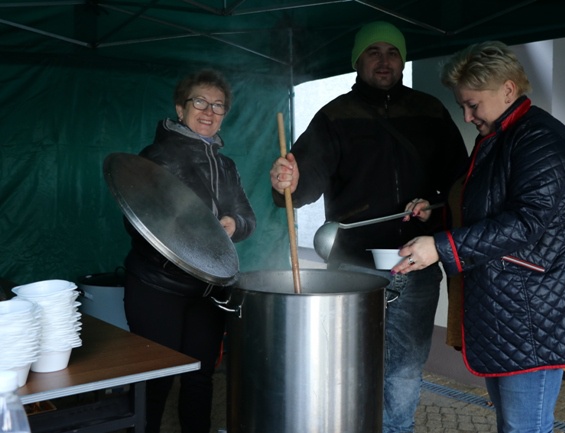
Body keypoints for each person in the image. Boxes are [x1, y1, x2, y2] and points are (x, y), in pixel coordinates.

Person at [393, 41, 565, 433]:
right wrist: (440, 212)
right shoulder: (499, 135)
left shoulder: (541, 140)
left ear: (508, 90)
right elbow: (489, 206)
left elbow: (527, 222)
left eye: (473, 104)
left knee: (524, 427)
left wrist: (442, 246)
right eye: (462, 105)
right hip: (512, 306)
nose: (467, 115)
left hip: (540, 310)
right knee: (513, 423)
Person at [270, 21, 468, 433]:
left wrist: (435, 210)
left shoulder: (430, 111)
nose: (384, 60)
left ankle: (396, 429)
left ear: (402, 60)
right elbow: (301, 185)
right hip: (350, 264)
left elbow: (458, 184)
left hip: (414, 262)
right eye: (373, 52)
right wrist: (287, 181)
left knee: (406, 365)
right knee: (347, 360)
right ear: (358, 60)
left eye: (392, 52)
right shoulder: (335, 116)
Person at [122, 69, 256, 433]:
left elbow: (247, 217)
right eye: (200, 101)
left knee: (200, 375)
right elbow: (135, 221)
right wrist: (185, 230)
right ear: (180, 109)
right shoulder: (156, 157)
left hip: (208, 290)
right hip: (157, 286)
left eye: (218, 105)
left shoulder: (226, 165)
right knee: (155, 378)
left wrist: (231, 224)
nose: (209, 111)